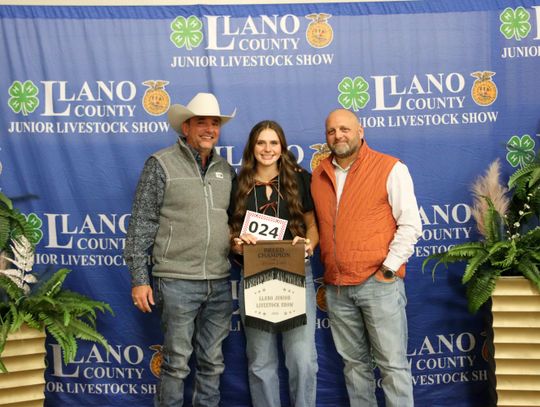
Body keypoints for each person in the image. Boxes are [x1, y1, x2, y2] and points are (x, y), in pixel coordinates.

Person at [124, 92, 236, 407]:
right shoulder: (160, 163)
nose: (209, 129)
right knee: (175, 363)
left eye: (215, 123)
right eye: (201, 122)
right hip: (176, 281)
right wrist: (139, 278)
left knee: (213, 362)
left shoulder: (225, 170)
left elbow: (232, 221)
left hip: (218, 281)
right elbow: (142, 222)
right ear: (185, 127)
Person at [311, 109, 422, 407]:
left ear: (360, 131)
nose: (338, 135)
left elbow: (411, 225)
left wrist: (388, 270)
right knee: (354, 368)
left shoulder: (390, 167)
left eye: (345, 129)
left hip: (379, 284)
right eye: (332, 131)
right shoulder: (319, 175)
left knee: (392, 366)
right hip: (337, 288)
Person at [229, 120, 319, 407]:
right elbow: (231, 232)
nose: (267, 149)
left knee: (302, 359)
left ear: (282, 147)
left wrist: (309, 244)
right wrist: (236, 244)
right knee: (260, 360)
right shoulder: (238, 184)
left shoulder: (300, 179)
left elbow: (312, 225)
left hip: (296, 274)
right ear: (252, 147)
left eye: (273, 143)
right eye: (261, 143)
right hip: (255, 276)